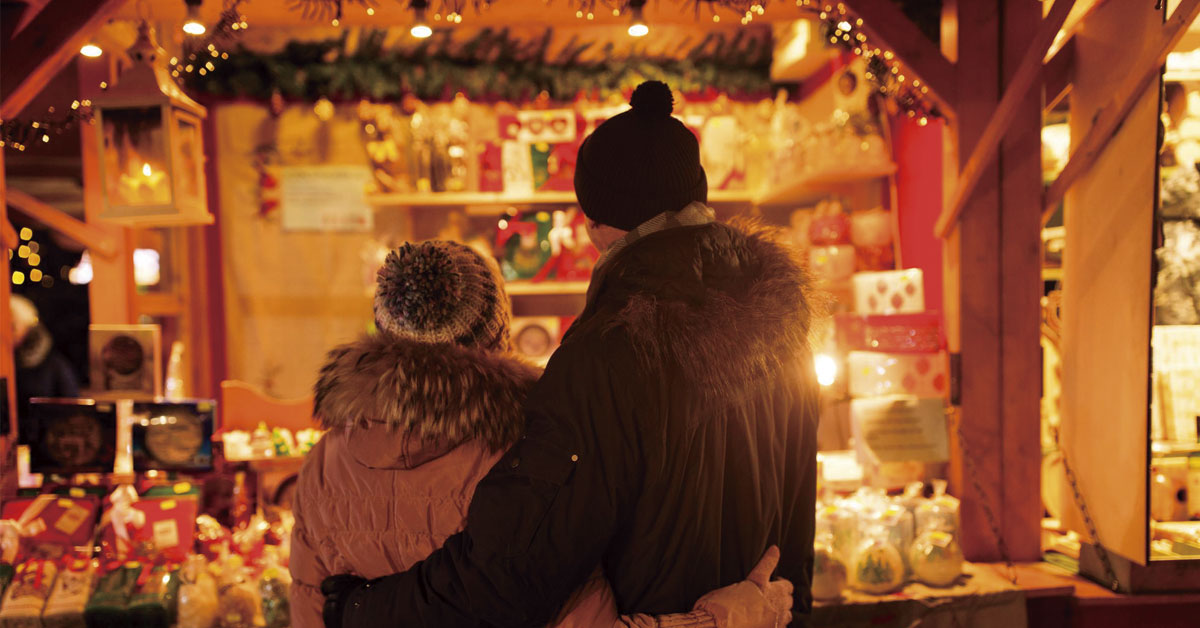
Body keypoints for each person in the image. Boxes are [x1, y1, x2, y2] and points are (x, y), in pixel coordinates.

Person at [323, 81, 819, 627]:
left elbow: (513, 570)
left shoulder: (606, 354)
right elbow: (796, 535)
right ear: (697, 197)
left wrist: (363, 607)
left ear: (595, 225)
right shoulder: (782, 319)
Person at [292, 241, 794, 628]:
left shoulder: (322, 463)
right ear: (498, 334)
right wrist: (725, 618)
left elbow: (311, 612)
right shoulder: (528, 453)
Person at [11, 294, 79, 434]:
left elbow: (72, 408)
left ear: (27, 327)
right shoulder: (7, 363)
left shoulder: (53, 364)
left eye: (12, 326)